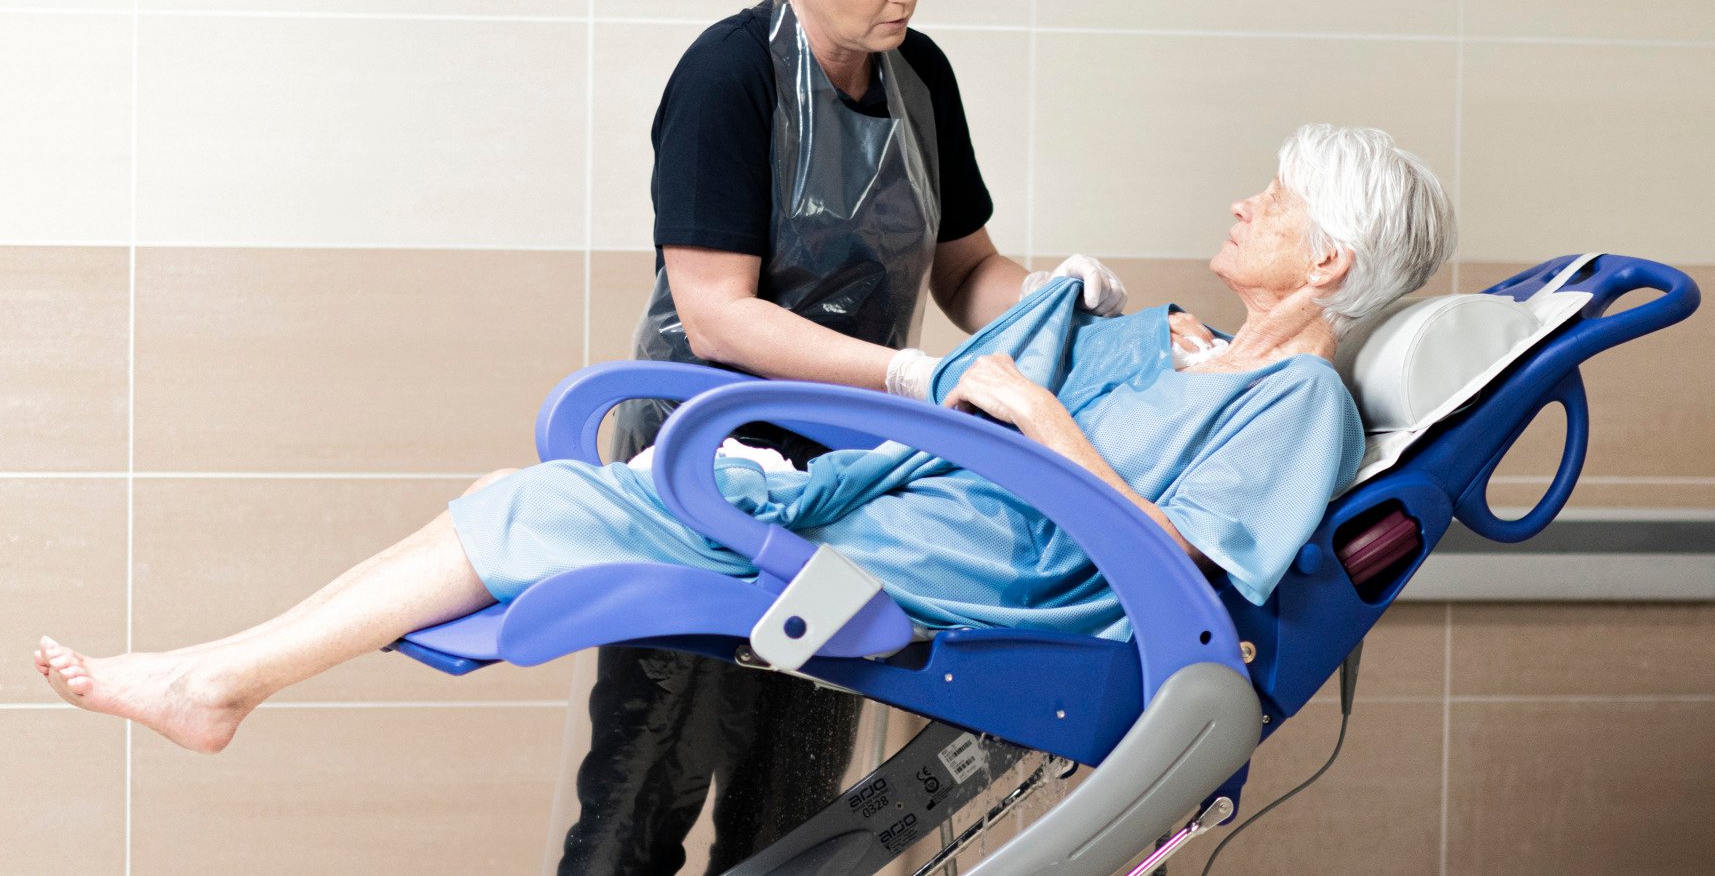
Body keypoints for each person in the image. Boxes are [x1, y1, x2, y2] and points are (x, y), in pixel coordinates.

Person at [33, 124, 1455, 770]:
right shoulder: (1182, 344)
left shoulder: (1300, 407)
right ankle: (223, 676)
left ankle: (218, 680)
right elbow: (987, 385)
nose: (1239, 203)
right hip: (918, 522)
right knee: (529, 494)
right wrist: (1069, 338)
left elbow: (1186, 574)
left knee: (543, 507)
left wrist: (1044, 413)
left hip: (980, 581)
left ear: (1330, 260)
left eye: (1271, 202)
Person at [591, 0, 1128, 874]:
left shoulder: (919, 75)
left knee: (795, 809)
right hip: (704, 471)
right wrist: (907, 373)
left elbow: (965, 269)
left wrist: (1056, 294)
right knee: (638, 805)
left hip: (848, 485)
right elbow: (714, 312)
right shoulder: (727, 78)